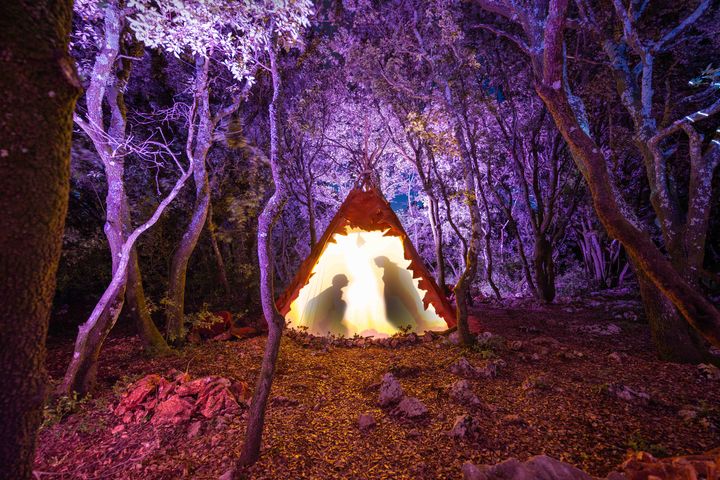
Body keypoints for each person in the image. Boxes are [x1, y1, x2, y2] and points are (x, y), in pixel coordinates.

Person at [373, 256, 428, 331]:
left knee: (410, 307)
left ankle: (421, 325)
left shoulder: (391, 269)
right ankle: (420, 324)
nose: (376, 265)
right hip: (397, 293)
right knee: (409, 307)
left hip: (400, 292)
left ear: (382, 261)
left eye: (377, 263)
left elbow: (394, 282)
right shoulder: (389, 268)